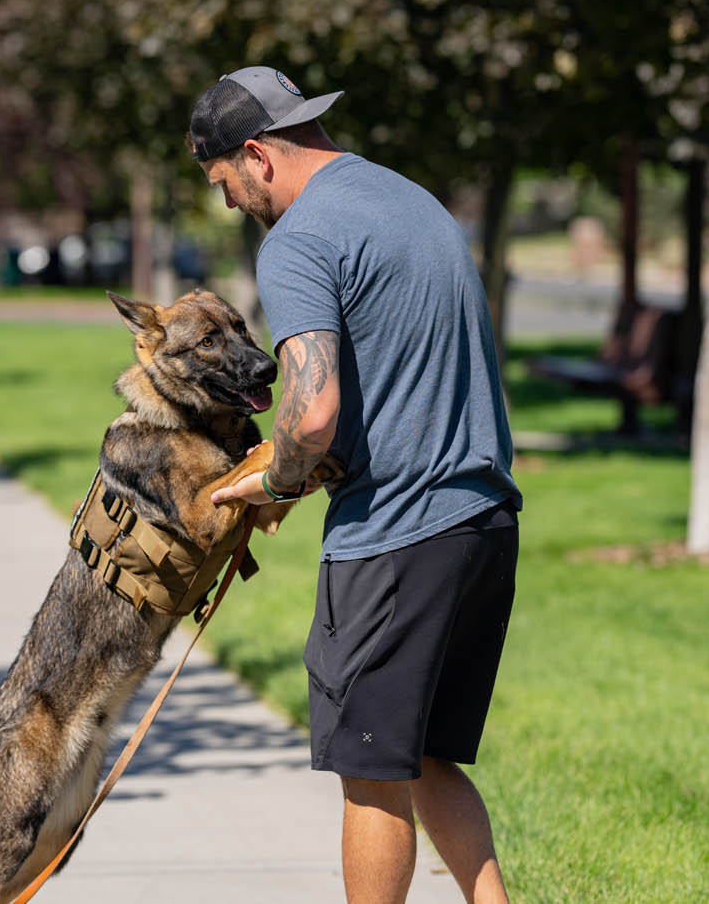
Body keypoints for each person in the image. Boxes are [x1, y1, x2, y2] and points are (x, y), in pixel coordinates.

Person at [191, 67, 523, 904]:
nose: (231, 203)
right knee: (425, 752)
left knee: (370, 764)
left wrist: (274, 479)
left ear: (258, 155)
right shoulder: (407, 199)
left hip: (397, 540)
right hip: (482, 523)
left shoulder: (300, 239)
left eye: (225, 183)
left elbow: (308, 416)